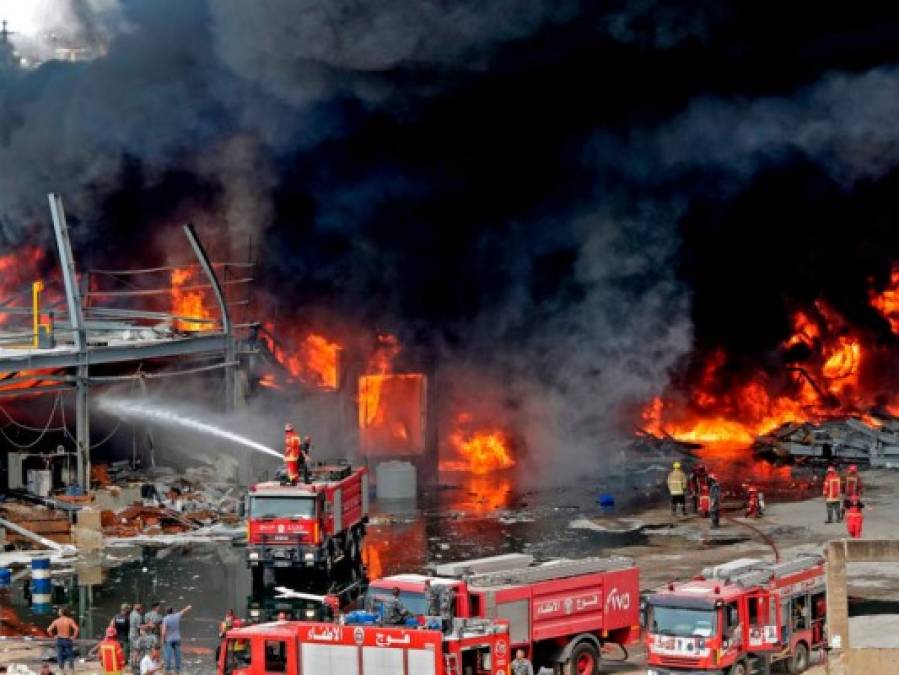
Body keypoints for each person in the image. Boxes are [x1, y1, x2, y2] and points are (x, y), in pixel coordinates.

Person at [161, 604, 192, 674]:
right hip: (177, 638)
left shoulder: (165, 619)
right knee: (178, 654)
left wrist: (163, 640)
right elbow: (183, 611)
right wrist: (188, 607)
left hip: (169, 639)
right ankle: (178, 669)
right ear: (172, 611)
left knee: (168, 654)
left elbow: (163, 632)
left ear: (166, 612)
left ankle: (167, 669)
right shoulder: (176, 616)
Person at [47, 606, 79, 673]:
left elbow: (49, 630)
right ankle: (71, 670)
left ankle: (62, 670)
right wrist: (73, 637)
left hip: (59, 640)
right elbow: (76, 629)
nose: (58, 612)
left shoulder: (56, 621)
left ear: (61, 613)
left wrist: (53, 636)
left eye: (59, 611)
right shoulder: (70, 620)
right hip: (67, 639)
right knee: (70, 655)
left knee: (60, 655)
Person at [129, 602, 145, 670]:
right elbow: (139, 627)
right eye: (142, 609)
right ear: (140, 609)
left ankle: (131, 664)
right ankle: (135, 665)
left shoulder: (132, 613)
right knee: (137, 650)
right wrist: (148, 625)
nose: (143, 610)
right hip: (135, 635)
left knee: (132, 650)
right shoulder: (138, 616)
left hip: (131, 634)